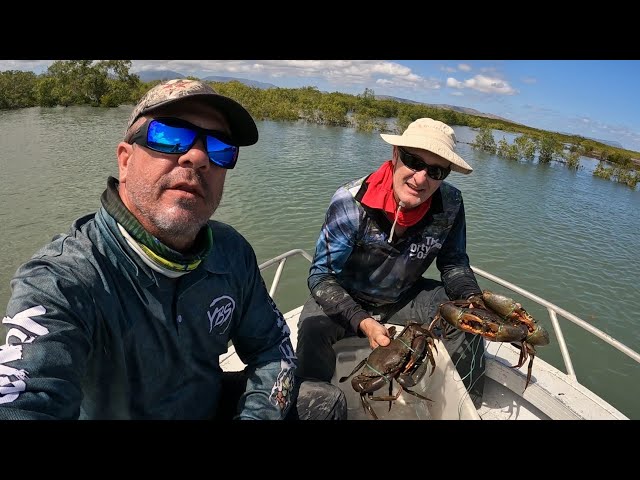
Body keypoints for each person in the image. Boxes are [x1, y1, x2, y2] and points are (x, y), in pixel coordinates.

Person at [0, 79, 346, 420]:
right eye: (169, 135)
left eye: (220, 147)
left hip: (208, 404)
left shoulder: (230, 252)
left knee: (325, 402)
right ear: (124, 160)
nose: (197, 157)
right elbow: (27, 400)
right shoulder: (61, 280)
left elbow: (274, 349)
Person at [296, 118, 486, 407]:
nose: (421, 179)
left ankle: (464, 406)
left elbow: (454, 263)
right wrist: (363, 321)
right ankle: (313, 407)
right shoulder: (350, 203)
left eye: (435, 170)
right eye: (413, 161)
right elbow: (321, 277)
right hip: (347, 299)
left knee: (467, 319)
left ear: (445, 175)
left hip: (404, 297)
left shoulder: (451, 204)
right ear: (395, 155)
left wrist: (471, 297)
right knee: (312, 329)